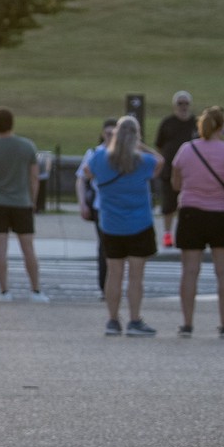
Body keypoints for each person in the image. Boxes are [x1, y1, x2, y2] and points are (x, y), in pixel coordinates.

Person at [171, 104, 224, 338]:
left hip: (191, 213)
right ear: (222, 126)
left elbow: (176, 184)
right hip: (223, 214)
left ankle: (187, 323)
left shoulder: (186, 150)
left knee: (189, 272)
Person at [86, 115, 162, 337]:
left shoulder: (99, 158)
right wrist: (139, 144)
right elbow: (160, 161)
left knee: (114, 273)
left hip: (111, 224)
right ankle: (135, 320)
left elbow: (89, 174)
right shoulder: (142, 161)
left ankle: (112, 319)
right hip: (139, 223)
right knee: (136, 276)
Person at [0, 107, 48, 301]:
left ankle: (4, 291)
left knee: (0, 250)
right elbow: (35, 177)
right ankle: (35, 290)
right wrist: (33, 201)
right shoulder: (27, 147)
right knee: (28, 249)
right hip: (22, 203)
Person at [77, 117, 119, 290]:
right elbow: (81, 178)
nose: (110, 137)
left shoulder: (123, 154)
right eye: (107, 133)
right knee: (104, 246)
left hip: (118, 205)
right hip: (100, 205)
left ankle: (114, 284)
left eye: (113, 133)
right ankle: (104, 286)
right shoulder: (95, 153)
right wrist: (82, 204)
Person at [155, 92, 197, 250]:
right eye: (180, 103)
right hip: (169, 171)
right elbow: (159, 144)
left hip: (191, 171)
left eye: (186, 103)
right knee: (169, 205)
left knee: (189, 205)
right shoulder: (167, 123)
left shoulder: (195, 122)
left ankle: (186, 234)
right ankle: (167, 234)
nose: (183, 106)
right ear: (175, 105)